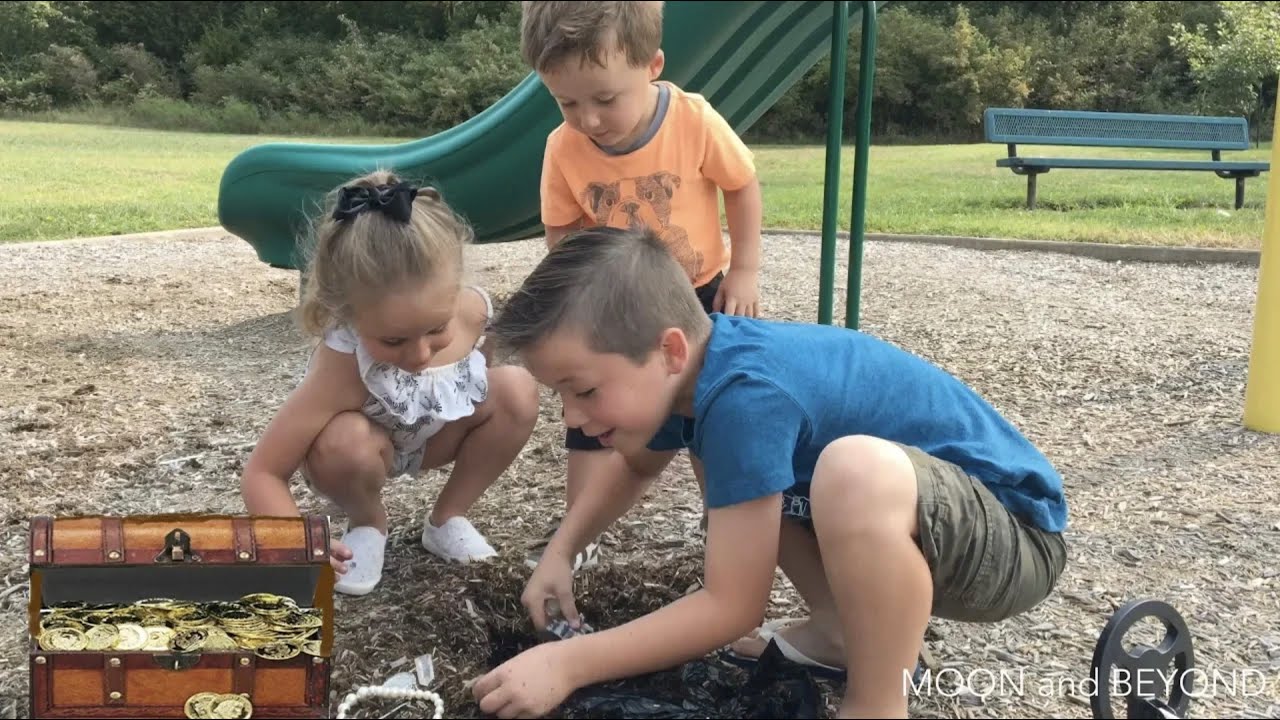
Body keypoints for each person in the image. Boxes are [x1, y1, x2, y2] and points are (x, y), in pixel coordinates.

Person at [471, 227, 1069, 718]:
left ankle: (878, 704)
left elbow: (733, 607)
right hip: (942, 528)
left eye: (584, 390)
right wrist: (562, 550)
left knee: (849, 471)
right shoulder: (701, 376)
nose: (573, 417)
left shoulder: (744, 395)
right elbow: (635, 466)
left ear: (670, 350)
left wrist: (568, 663)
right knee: (734, 469)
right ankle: (840, 634)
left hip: (1010, 541)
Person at [520, 0, 765, 569]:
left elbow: (743, 184)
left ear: (652, 65)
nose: (588, 119)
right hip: (611, 307)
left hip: (697, 292)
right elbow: (563, 232)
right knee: (586, 412)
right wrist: (577, 307)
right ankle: (579, 532)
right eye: (567, 102)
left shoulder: (693, 119)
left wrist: (747, 269)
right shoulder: (563, 147)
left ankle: (721, 523)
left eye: (604, 98)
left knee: (710, 409)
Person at [239, 170, 540, 596]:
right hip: (357, 456)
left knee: (516, 390)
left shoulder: (474, 315)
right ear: (347, 314)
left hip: (430, 439)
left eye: (437, 329)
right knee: (345, 441)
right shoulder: (342, 363)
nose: (419, 355)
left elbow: (475, 385)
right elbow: (263, 472)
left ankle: (446, 519)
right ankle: (367, 521)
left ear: (455, 291)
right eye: (393, 340)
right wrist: (296, 544)